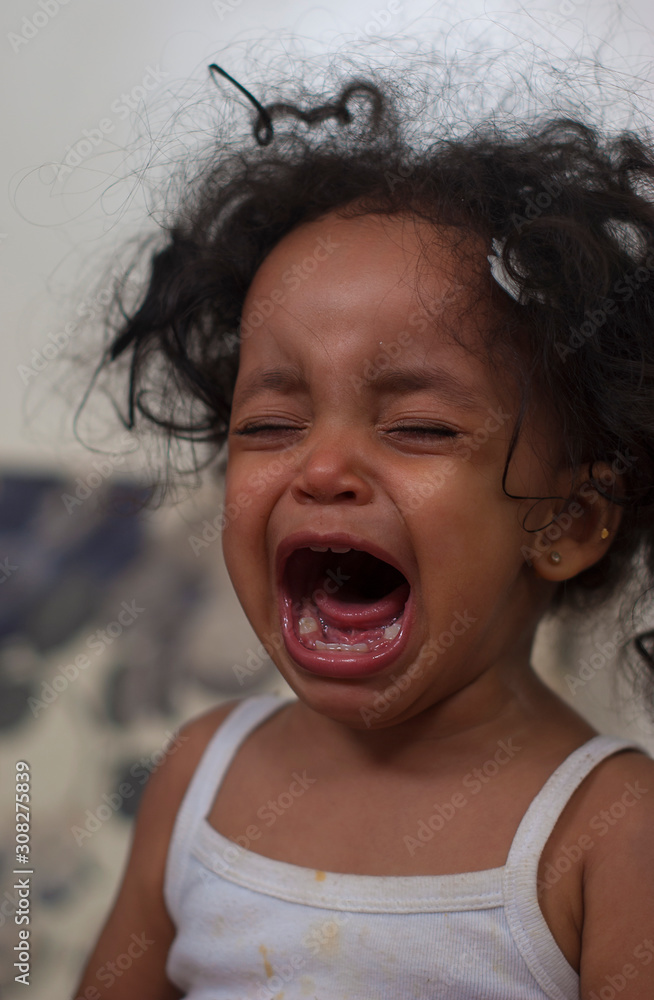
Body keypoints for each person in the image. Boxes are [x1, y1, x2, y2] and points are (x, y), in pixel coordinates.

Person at [72, 56, 654, 1000]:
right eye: (269, 425)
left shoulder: (608, 834)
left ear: (569, 519)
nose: (324, 469)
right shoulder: (196, 779)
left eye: (418, 427)